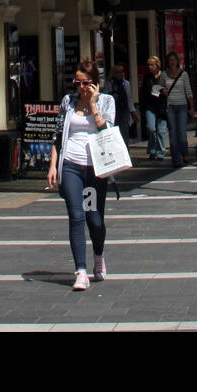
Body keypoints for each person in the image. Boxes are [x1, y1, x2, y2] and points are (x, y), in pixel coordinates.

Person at [47, 58, 116, 291]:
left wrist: (93, 104)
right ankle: (81, 271)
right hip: (71, 165)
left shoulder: (107, 101)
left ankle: (98, 256)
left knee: (94, 219)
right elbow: (58, 135)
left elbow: (108, 131)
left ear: (95, 83)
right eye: (78, 82)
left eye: (86, 82)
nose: (81, 87)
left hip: (96, 169)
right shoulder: (68, 101)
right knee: (77, 216)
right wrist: (53, 165)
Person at [163, 50, 194, 169]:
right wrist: (162, 90)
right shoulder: (164, 75)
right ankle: (176, 159)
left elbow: (189, 91)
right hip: (170, 106)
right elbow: (158, 88)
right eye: (170, 60)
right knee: (172, 133)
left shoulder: (183, 74)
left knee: (181, 132)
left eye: (174, 60)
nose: (172, 62)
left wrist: (191, 107)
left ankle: (185, 153)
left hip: (182, 106)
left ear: (177, 61)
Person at [139, 56, 168, 160]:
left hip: (162, 106)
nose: (150, 67)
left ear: (157, 65)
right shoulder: (147, 78)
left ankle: (160, 152)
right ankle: (152, 150)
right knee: (151, 128)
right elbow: (143, 92)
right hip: (150, 106)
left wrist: (164, 91)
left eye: (152, 65)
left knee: (161, 131)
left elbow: (168, 89)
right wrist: (142, 107)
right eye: (149, 65)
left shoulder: (164, 76)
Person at [103, 64, 137, 144]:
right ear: (114, 73)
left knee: (124, 132)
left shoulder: (126, 84)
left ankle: (126, 152)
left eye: (122, 72)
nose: (121, 74)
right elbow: (104, 97)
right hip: (114, 111)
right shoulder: (109, 84)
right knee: (114, 132)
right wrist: (112, 96)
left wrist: (133, 111)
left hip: (124, 110)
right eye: (118, 72)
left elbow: (129, 98)